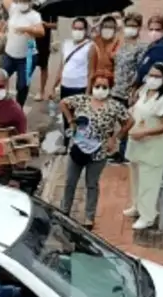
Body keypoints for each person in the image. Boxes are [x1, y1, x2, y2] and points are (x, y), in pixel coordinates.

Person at [58, 71, 128, 229]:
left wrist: (115, 137)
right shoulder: (82, 100)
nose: (100, 89)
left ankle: (89, 217)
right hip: (77, 148)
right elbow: (63, 103)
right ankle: (64, 210)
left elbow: (129, 121)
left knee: (92, 184)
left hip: (99, 151)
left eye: (104, 87)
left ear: (110, 88)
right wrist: (70, 120)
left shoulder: (115, 107)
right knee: (70, 181)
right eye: (97, 86)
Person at [124, 61, 163, 229]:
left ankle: (148, 215)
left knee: (149, 181)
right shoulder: (144, 91)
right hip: (136, 142)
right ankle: (137, 206)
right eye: (151, 75)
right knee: (136, 177)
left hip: (152, 146)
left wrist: (145, 133)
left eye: (157, 76)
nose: (153, 79)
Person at [108, 12, 146, 165]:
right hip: (116, 88)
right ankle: (112, 149)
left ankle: (124, 153)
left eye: (134, 26)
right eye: (128, 25)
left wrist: (134, 90)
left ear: (139, 27)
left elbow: (140, 70)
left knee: (127, 123)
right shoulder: (121, 44)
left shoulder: (141, 47)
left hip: (128, 91)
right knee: (112, 121)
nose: (130, 28)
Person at [0, 0, 42, 106]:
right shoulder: (13, 9)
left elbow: (41, 32)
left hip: (26, 58)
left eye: (25, 1)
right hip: (9, 55)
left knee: (22, 86)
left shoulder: (34, 16)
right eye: (21, 0)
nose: (23, 3)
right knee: (0, 78)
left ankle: (19, 107)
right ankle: (0, 104)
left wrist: (27, 29)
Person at [57, 17, 93, 100]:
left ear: (85, 30)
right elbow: (61, 67)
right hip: (65, 85)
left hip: (80, 87)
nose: (77, 31)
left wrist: (87, 93)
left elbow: (91, 72)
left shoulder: (90, 46)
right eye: (75, 28)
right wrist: (54, 86)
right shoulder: (66, 44)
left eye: (80, 29)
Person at [136, 14, 163, 85]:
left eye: (157, 30)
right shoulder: (152, 45)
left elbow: (157, 73)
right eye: (151, 29)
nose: (154, 32)